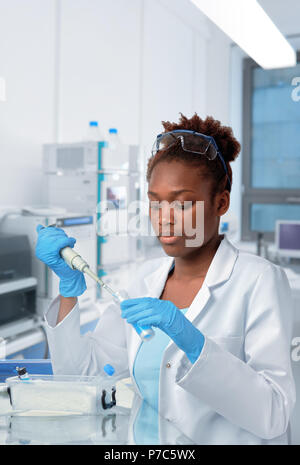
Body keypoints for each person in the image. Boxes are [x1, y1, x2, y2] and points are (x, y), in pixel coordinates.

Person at [36, 113, 296, 445]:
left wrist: (195, 344)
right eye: (155, 203)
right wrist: (69, 291)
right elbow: (85, 375)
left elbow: (274, 414)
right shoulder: (143, 279)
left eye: (183, 204)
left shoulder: (259, 280)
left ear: (221, 203)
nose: (165, 220)